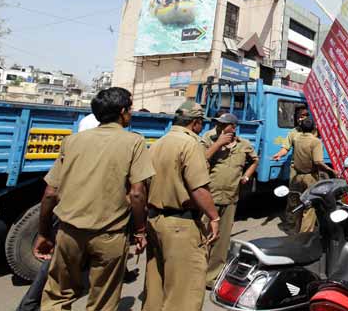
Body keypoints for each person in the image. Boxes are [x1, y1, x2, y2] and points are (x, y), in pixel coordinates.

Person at [34, 87, 155, 311]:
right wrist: (140, 231)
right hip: (109, 235)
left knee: (57, 295)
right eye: (130, 109)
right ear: (122, 112)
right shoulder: (134, 142)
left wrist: (43, 232)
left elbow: (50, 193)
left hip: (68, 232)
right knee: (103, 301)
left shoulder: (72, 141)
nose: (131, 113)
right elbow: (137, 193)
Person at [141, 101, 220, 310]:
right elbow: (199, 188)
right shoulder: (191, 144)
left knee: (155, 285)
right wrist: (214, 217)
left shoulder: (158, 143)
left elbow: (142, 185)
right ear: (195, 122)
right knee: (184, 292)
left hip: (156, 220)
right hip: (181, 225)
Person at [201, 112, 259, 288]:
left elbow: (254, 160)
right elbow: (200, 160)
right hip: (209, 197)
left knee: (221, 240)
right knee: (202, 237)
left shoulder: (244, 145)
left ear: (233, 127)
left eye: (223, 124)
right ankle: (196, 273)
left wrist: (246, 176)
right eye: (218, 124)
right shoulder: (209, 140)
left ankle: (211, 276)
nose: (218, 127)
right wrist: (218, 144)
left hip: (230, 197)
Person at [290, 117, 335, 233]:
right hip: (310, 177)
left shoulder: (296, 139)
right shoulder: (315, 142)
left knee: (299, 205)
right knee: (309, 208)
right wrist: (331, 170)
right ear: (314, 128)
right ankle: (304, 236)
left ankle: (296, 231)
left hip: (297, 177)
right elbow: (318, 161)